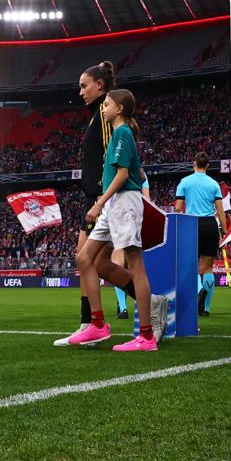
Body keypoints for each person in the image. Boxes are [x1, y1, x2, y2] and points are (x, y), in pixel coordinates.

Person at [58, 62, 140, 349]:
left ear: (100, 86)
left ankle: (91, 324)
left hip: (102, 200)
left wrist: (101, 200)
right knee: (100, 264)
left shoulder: (106, 122)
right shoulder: (97, 118)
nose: (81, 91)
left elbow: (114, 161)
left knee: (87, 259)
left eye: (84, 86)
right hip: (98, 199)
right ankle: (151, 303)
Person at [87, 89, 160, 351]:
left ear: (119, 108)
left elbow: (124, 174)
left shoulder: (121, 132)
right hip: (117, 203)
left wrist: (99, 202)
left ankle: (147, 336)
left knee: (136, 265)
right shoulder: (123, 134)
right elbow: (136, 172)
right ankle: (98, 325)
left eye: (106, 104)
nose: (103, 108)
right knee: (92, 260)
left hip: (123, 203)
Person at [174, 151, 228, 315]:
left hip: (192, 224)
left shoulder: (185, 182)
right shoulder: (213, 184)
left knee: (191, 265)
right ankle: (205, 309)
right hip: (210, 225)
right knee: (208, 268)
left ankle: (198, 289)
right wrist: (224, 230)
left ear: (194, 164)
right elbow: (220, 210)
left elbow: (177, 208)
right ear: (208, 166)